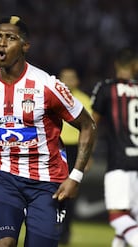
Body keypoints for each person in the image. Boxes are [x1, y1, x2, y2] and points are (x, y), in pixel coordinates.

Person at [0, 15, 96, 247]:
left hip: (47, 181)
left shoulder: (47, 86)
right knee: (5, 243)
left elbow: (87, 125)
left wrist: (76, 176)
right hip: (3, 176)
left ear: (25, 46)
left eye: (10, 38)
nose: (2, 43)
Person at [91, 48, 138, 247]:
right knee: (129, 219)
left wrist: (87, 155)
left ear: (116, 65)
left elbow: (92, 124)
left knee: (118, 217)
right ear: (134, 66)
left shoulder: (106, 87)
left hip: (119, 161)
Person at [59, 67, 93, 244]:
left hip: (75, 149)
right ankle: (51, 227)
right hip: (55, 148)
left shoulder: (84, 100)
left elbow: (90, 129)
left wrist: (88, 155)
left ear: (77, 81)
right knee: (50, 189)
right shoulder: (54, 95)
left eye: (71, 78)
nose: (67, 81)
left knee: (70, 192)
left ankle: (65, 232)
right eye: (64, 77)